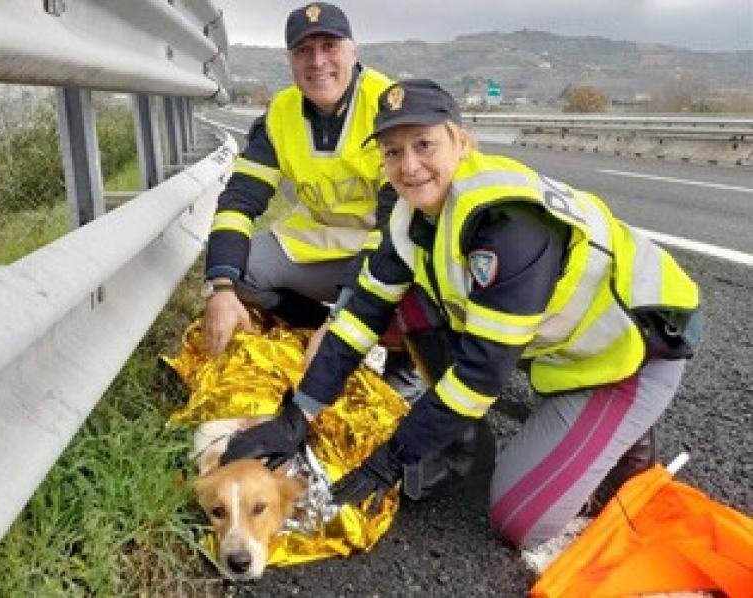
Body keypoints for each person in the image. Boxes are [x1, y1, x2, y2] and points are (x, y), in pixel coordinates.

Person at [220, 79, 703, 549]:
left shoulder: (505, 224)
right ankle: (470, 435)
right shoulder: (410, 218)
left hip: (628, 358)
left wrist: (390, 458)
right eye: (392, 152)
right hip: (553, 349)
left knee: (518, 521)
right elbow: (360, 314)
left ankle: (625, 435)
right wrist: (297, 415)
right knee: (404, 301)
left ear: (461, 142)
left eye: (423, 145)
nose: (408, 166)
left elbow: (479, 375)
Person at [202, 2, 397, 365]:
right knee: (238, 266)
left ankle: (405, 364)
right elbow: (239, 201)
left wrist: (346, 312)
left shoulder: (388, 107)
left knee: (428, 276)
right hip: (317, 243)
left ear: (353, 50)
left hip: (385, 249)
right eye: (303, 50)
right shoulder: (280, 113)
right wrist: (222, 288)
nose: (317, 61)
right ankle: (318, 329)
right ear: (290, 61)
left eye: (329, 46)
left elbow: (396, 225)